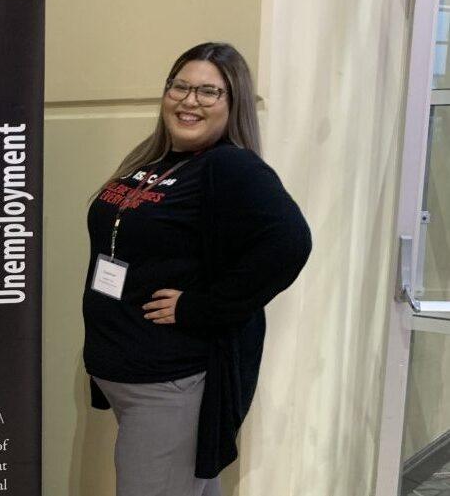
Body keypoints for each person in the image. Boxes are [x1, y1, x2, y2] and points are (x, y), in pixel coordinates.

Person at [82, 42, 312, 496]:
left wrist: (203, 307)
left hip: (166, 383)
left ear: (233, 102)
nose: (189, 101)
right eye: (180, 87)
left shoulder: (229, 166)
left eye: (209, 92)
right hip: (130, 375)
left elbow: (290, 242)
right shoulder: (156, 162)